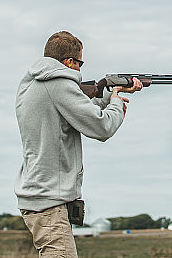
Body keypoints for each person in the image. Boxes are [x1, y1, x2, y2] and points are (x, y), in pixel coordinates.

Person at [14, 30, 142, 257]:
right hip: (49, 202)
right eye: (80, 63)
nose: (80, 70)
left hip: (41, 197)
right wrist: (116, 104)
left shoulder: (34, 83)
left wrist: (112, 93)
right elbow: (102, 127)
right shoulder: (59, 85)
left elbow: (78, 108)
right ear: (69, 62)